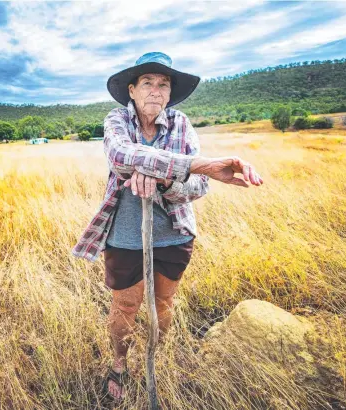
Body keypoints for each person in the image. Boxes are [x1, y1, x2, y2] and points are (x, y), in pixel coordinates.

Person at [71, 52, 264, 401]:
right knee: (125, 307)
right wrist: (197, 164)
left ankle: (156, 358)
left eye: (164, 85)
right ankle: (119, 362)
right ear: (132, 89)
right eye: (147, 83)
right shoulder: (117, 120)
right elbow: (121, 156)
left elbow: (198, 187)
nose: (156, 91)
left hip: (173, 232)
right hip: (125, 234)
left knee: (163, 303)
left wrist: (163, 182)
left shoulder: (181, 124)